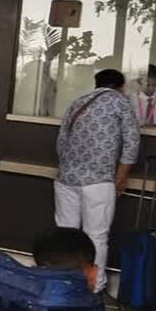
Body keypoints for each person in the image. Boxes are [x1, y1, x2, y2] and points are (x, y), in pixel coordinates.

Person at [54, 68, 139, 295]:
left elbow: (61, 142)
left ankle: (63, 284)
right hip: (99, 181)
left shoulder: (78, 102)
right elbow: (132, 144)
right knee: (96, 236)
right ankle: (94, 288)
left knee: (66, 234)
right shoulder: (121, 103)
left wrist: (69, 168)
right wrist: (120, 178)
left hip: (66, 179)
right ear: (121, 86)